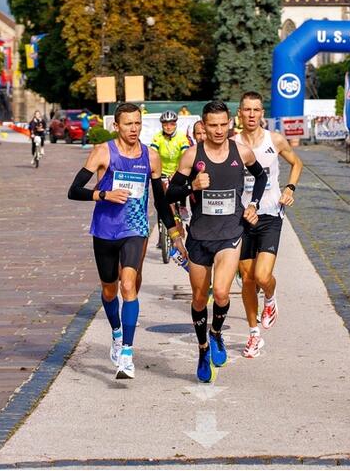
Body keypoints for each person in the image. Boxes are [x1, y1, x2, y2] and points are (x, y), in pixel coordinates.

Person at [67, 103, 176, 380]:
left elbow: (160, 198)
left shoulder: (150, 157)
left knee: (129, 285)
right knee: (108, 290)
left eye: (137, 123)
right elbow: (74, 191)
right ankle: (116, 332)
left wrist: (173, 229)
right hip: (104, 231)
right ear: (116, 126)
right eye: (128, 124)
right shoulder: (103, 152)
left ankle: (127, 353)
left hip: (135, 229)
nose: (133, 129)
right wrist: (104, 195)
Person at [166, 100, 268, 383]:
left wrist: (254, 204)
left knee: (221, 294)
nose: (219, 130)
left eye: (224, 124)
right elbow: (169, 194)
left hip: (230, 234)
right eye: (213, 125)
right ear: (204, 125)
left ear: (229, 124)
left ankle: (216, 334)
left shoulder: (241, 151)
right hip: (199, 237)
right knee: (200, 298)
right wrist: (191, 186)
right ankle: (202, 348)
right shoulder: (191, 156)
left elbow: (261, 177)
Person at [235, 91, 303, 358]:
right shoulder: (232, 144)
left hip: (270, 213)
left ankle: (271, 299)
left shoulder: (274, 140)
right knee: (248, 279)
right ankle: (253, 336)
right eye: (247, 110)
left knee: (262, 277)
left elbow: (297, 163)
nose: (252, 115)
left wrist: (290, 187)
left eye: (256, 110)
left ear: (262, 113)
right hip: (242, 217)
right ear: (239, 113)